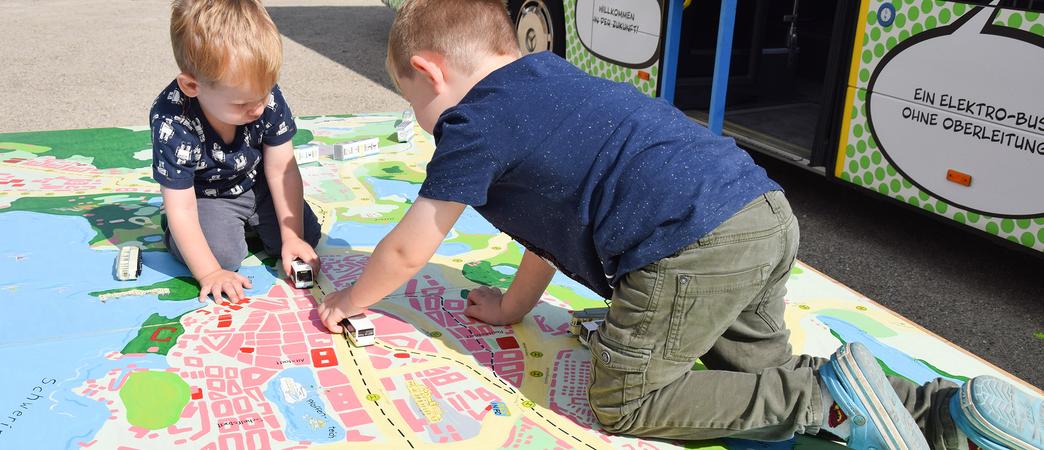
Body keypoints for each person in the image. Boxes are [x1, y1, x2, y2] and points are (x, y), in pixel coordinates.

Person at [318, 0, 1042, 448]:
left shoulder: (473, 121)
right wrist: (513, 307)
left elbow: (414, 244)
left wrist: (344, 303)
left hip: (687, 248)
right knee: (752, 379)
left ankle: (820, 402)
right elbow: (551, 223)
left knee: (627, 399)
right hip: (760, 213)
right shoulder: (551, 82)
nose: (422, 122)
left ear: (430, 72)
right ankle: (944, 412)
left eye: (412, 102)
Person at [150, 0, 321, 303]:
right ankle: (176, 235)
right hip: (206, 197)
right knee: (221, 258)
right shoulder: (173, 120)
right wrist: (209, 273)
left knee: (306, 236)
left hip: (257, 185)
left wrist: (291, 235)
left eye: (264, 92)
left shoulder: (261, 97)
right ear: (192, 86)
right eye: (242, 104)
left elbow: (283, 168)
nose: (258, 108)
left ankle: (256, 228)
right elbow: (182, 206)